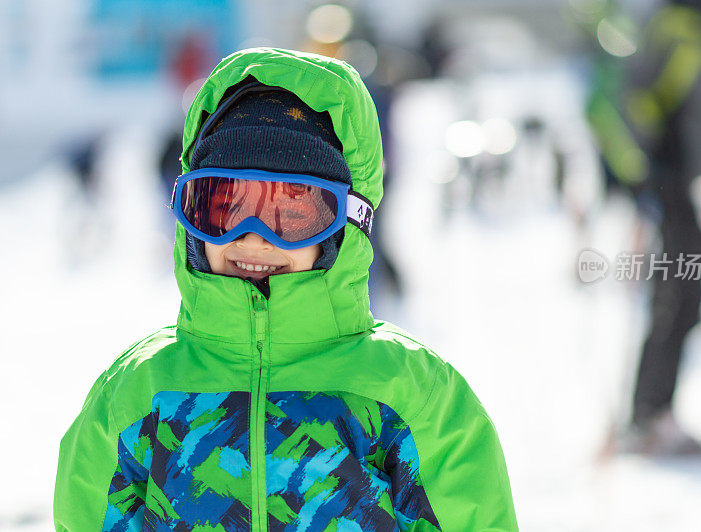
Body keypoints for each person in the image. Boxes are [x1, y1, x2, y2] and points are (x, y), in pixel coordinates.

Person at [54, 48, 517, 530]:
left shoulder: (412, 395)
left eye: (291, 211)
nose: (252, 236)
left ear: (344, 224)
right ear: (191, 214)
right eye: (225, 205)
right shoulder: (136, 394)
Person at [587, 0, 701, 455]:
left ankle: (655, 411)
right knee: (676, 298)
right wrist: (651, 173)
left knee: (683, 298)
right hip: (675, 187)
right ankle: (650, 414)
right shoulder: (685, 24)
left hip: (692, 187)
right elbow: (641, 102)